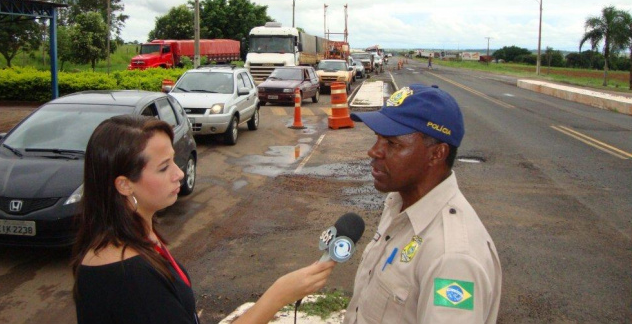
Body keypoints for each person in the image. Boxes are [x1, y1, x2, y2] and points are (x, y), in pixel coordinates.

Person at [72, 115, 335, 324]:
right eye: (163, 168)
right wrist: (278, 296)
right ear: (125, 185)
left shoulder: (138, 238)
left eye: (174, 161)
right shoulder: (129, 277)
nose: (179, 174)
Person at [343, 84, 501, 324]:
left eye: (392, 144)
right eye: (377, 139)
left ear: (436, 154)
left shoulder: (453, 258)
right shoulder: (399, 204)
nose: (373, 151)